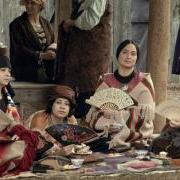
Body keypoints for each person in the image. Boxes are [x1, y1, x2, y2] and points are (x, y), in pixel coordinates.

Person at [86, 39, 155, 149]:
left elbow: (145, 115)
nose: (128, 57)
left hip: (135, 136)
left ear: (137, 58)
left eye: (133, 54)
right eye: (124, 52)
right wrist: (107, 116)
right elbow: (94, 112)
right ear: (117, 55)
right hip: (107, 133)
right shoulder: (105, 80)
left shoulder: (144, 81)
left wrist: (114, 114)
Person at [54, 0, 112, 118]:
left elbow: (90, 21)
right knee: (80, 91)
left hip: (91, 55)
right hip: (82, 56)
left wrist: (71, 22)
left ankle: (84, 127)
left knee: (88, 92)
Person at [0, 48, 39, 176]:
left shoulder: (7, 96)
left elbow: (15, 123)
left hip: (10, 137)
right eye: (2, 70)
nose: (7, 74)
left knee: (33, 138)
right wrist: (12, 130)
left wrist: (16, 132)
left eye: (9, 71)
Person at [9, 0, 56, 83]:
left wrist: (51, 50)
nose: (28, 6)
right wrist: (41, 55)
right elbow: (18, 49)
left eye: (32, 3)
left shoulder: (46, 24)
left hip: (46, 70)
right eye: (27, 3)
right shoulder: (17, 24)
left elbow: (52, 42)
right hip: (26, 70)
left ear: (40, 5)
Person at [28, 85, 77, 157]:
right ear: (51, 104)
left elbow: (73, 142)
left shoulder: (71, 119)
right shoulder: (41, 116)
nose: (62, 107)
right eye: (58, 102)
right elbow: (36, 144)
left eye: (67, 104)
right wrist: (57, 153)